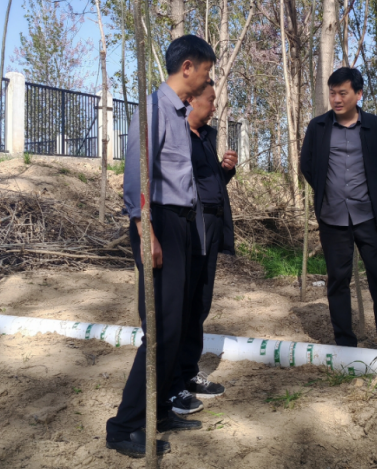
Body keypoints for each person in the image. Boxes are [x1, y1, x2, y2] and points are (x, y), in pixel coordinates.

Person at [105, 35, 217, 458]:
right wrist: (145, 230)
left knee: (180, 322)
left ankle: (160, 409)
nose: (206, 80)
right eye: (205, 71)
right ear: (187, 67)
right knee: (161, 329)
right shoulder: (153, 110)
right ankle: (124, 426)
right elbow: (137, 176)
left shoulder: (180, 113)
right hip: (160, 224)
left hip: (181, 224)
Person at [299, 67, 377, 352]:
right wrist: (329, 192)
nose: (336, 99)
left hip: (369, 216)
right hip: (332, 217)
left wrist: (368, 191)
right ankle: (345, 344)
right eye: (332, 93)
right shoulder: (318, 127)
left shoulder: (376, 127)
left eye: (343, 93)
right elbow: (307, 166)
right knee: (338, 280)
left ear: (358, 94)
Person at [168, 80, 238, 415]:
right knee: (183, 305)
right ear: (191, 100)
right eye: (210, 101)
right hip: (188, 227)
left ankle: (189, 371)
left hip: (211, 226)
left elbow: (210, 183)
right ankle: (173, 383)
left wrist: (225, 171)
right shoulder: (175, 135)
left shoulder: (206, 136)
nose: (213, 108)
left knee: (200, 302)